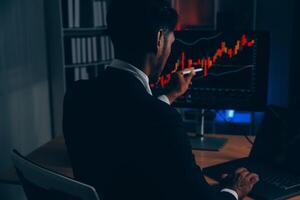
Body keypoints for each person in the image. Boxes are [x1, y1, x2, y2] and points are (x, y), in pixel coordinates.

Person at [63, 0, 259, 199]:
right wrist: (234, 189)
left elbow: (128, 119)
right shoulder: (162, 120)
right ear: (158, 39)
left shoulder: (77, 95)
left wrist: (171, 95)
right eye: (172, 42)